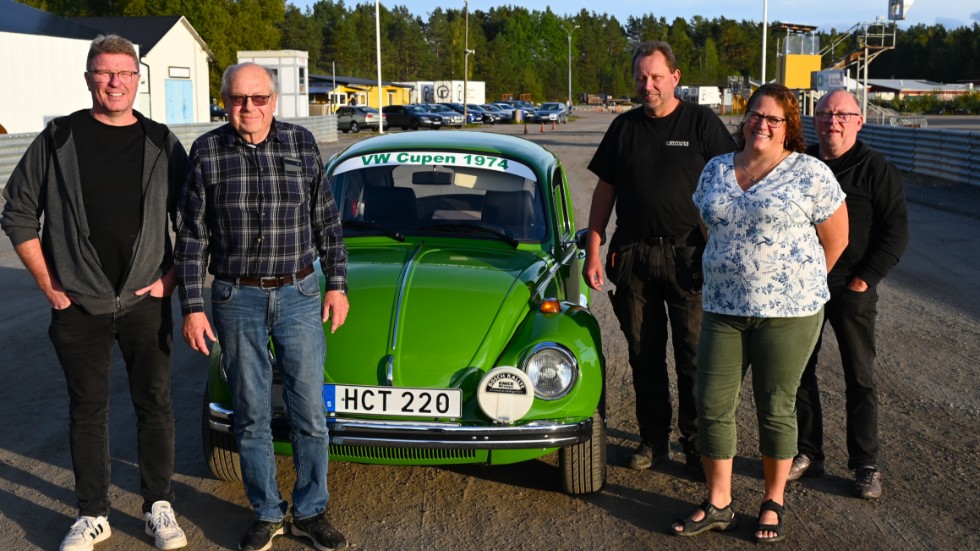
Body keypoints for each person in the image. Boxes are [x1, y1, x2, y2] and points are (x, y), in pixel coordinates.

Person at [1, 34, 188, 551]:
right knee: (88, 408)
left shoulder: (161, 142)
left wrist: (170, 281)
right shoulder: (59, 138)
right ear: (88, 78)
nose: (115, 83)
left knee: (154, 404)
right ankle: (92, 514)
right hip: (77, 305)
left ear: (137, 80)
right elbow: (17, 211)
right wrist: (50, 285)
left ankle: (158, 506)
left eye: (125, 73)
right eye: (104, 73)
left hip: (144, 303)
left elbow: (193, 220)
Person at [174, 62, 349, 551]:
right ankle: (267, 512)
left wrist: (336, 284)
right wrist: (192, 305)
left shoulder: (300, 144)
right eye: (237, 99)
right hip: (236, 297)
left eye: (258, 98)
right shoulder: (207, 152)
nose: (248, 107)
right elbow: (192, 238)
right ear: (224, 100)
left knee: (309, 411)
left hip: (298, 295)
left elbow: (328, 224)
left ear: (274, 100)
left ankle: (312, 511)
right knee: (250, 413)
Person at [671, 83, 849, 543]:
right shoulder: (715, 169)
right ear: (743, 117)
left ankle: (772, 501)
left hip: (788, 314)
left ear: (789, 126)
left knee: (775, 406)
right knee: (711, 405)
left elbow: (838, 239)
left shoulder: (809, 173)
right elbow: (710, 226)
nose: (762, 124)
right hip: (722, 308)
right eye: (756, 115)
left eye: (774, 118)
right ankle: (719, 502)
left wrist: (799, 284)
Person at [584, 41, 736, 471]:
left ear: (676, 77)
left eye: (654, 77)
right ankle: (653, 440)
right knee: (642, 354)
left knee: (693, 356)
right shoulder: (624, 128)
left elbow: (730, 186)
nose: (646, 85)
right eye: (640, 77)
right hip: (633, 258)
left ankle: (694, 442)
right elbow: (605, 191)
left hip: (690, 258)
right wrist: (594, 250)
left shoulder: (702, 123)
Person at [789, 90, 909, 500]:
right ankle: (808, 453)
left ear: (859, 121)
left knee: (859, 376)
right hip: (805, 286)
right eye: (824, 114)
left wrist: (866, 278)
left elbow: (895, 232)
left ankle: (866, 465)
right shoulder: (800, 164)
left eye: (842, 115)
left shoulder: (876, 169)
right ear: (814, 120)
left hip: (851, 286)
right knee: (800, 372)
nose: (832, 122)